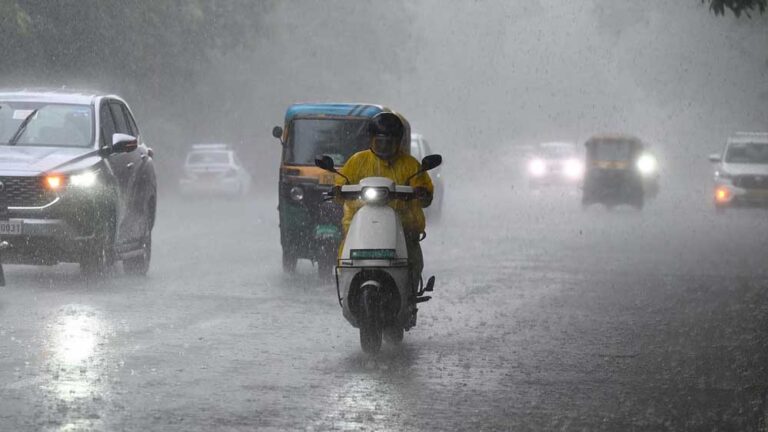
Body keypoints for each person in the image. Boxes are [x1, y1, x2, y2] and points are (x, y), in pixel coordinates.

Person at [334, 112, 434, 291]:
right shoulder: (357, 161)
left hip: (404, 230)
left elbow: (425, 194)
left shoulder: (411, 165)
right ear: (371, 140)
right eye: (380, 141)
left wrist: (422, 193)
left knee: (413, 265)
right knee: (345, 262)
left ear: (399, 142)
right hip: (361, 229)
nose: (385, 146)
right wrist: (336, 190)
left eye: (390, 141)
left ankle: (410, 295)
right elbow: (341, 184)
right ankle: (347, 288)